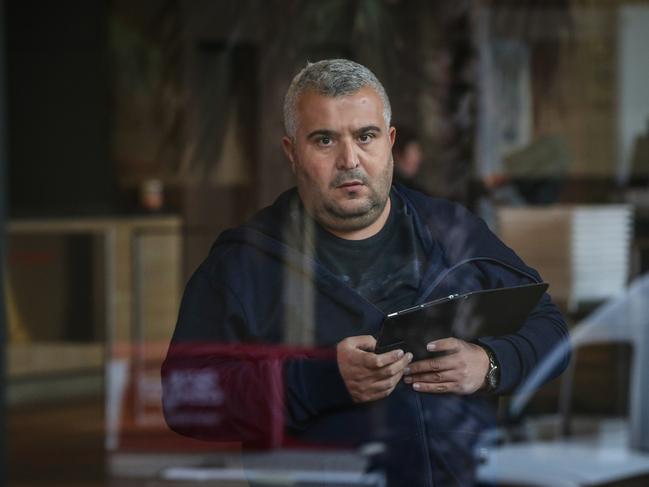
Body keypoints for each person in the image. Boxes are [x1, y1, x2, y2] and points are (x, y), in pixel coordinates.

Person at [162, 59, 570, 487]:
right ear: (291, 151)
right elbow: (184, 398)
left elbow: (550, 328)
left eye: (366, 136)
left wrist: (489, 364)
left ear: (389, 141)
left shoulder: (451, 233)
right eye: (324, 140)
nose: (349, 159)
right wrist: (321, 380)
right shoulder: (243, 263)